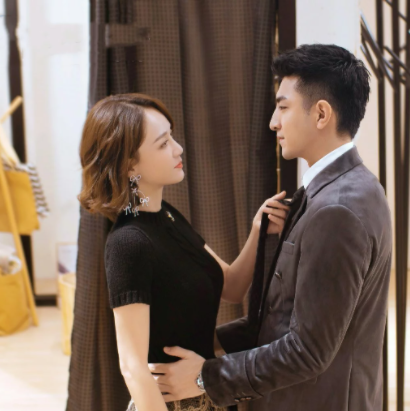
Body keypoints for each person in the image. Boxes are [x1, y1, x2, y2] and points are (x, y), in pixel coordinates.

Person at [152, 44, 393, 411]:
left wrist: (205, 377)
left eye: (283, 107)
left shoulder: (337, 209)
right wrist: (203, 344)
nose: (273, 122)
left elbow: (308, 351)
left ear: (321, 114)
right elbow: (283, 320)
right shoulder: (343, 189)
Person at [77, 93, 290, 411]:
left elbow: (231, 286)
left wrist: (258, 230)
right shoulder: (128, 244)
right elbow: (132, 366)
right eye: (163, 144)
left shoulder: (167, 216)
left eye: (172, 137)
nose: (178, 149)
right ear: (129, 164)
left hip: (209, 392)